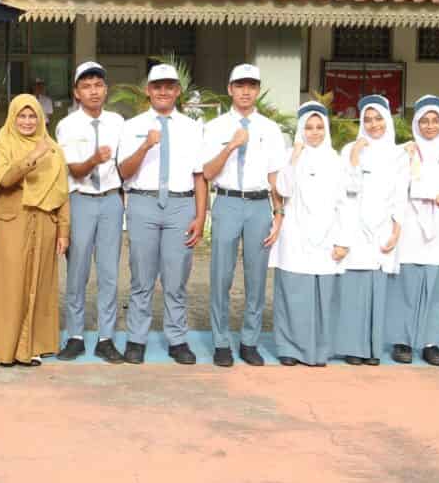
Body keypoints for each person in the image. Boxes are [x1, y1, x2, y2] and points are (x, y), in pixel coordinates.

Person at [116, 63, 207, 365]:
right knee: (141, 276)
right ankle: (136, 339)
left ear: (178, 91)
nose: (164, 91)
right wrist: (145, 145)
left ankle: (177, 339)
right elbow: (124, 172)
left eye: (170, 86)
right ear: (148, 90)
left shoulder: (194, 128)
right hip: (143, 202)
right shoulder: (132, 126)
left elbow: (199, 175)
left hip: (181, 205)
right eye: (158, 86)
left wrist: (200, 215)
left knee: (176, 276)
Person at [200, 63, 287, 368]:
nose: (246, 91)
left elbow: (275, 175)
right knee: (221, 275)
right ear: (230, 89)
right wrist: (231, 146)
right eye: (240, 85)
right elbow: (207, 172)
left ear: (257, 90)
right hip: (227, 202)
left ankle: (249, 341)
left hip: (258, 205)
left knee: (256, 276)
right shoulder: (215, 127)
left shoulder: (270, 129)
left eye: (251, 86)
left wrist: (279, 214)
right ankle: (221, 341)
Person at [0, 93, 69, 367]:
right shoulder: (3, 145)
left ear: (41, 119)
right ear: (13, 118)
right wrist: (32, 157)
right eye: (22, 116)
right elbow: (4, 180)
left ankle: (32, 346)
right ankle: (2, 347)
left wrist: (64, 231)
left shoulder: (54, 149)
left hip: (44, 224)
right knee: (9, 285)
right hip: (11, 222)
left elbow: (63, 193)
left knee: (39, 284)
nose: (27, 121)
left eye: (32, 116)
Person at [55, 61, 126, 363]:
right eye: (86, 86)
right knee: (78, 271)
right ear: (76, 92)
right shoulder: (67, 125)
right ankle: (75, 336)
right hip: (81, 199)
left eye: (98, 85)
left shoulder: (119, 122)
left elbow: (125, 165)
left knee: (109, 272)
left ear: (105, 90)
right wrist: (95, 159)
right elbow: (74, 169)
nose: (93, 91)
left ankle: (106, 337)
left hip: (111, 200)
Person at [390, 95, 439, 367]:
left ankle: (431, 342)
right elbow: (396, 187)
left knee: (436, 290)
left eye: (436, 120)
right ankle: (403, 340)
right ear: (416, 123)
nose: (430, 126)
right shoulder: (402, 152)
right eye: (424, 120)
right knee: (407, 287)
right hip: (410, 225)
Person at [269, 101, 349, 367]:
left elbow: (343, 203)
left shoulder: (336, 160)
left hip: (327, 235)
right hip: (295, 235)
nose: (314, 133)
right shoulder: (289, 155)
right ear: (301, 129)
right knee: (294, 294)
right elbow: (283, 189)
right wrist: (294, 157)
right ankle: (290, 349)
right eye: (308, 127)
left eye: (319, 127)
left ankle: (318, 352)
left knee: (322, 297)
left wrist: (342, 241)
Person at [335, 94, 406, 366]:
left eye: (378, 119)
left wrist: (396, 231)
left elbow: (401, 195)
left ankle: (373, 348)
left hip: (383, 228)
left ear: (387, 120)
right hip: (354, 226)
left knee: (378, 290)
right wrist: (354, 155)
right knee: (354, 289)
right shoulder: (348, 150)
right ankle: (353, 347)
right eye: (367, 119)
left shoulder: (398, 154)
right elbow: (346, 190)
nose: (373, 124)